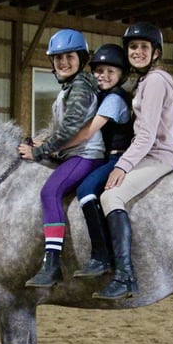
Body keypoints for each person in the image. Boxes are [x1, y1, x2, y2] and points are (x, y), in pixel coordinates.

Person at [93, 22, 173, 300]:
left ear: (155, 53)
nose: (137, 52)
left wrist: (122, 165)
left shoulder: (156, 81)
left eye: (143, 47)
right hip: (148, 154)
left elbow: (146, 135)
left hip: (157, 156)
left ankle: (125, 276)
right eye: (133, 47)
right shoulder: (146, 81)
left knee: (111, 197)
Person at [18, 29, 105, 288]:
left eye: (69, 56)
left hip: (86, 155)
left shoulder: (80, 87)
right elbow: (58, 128)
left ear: (80, 58)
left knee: (50, 192)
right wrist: (37, 139)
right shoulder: (69, 88)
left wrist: (38, 151)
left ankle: (52, 263)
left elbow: (68, 130)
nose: (63, 62)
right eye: (58, 58)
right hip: (72, 154)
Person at [62, 43, 133, 278]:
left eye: (110, 72)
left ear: (121, 76)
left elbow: (86, 133)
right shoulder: (99, 96)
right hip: (103, 157)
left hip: (117, 157)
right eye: (99, 71)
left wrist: (54, 147)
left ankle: (102, 256)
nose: (103, 76)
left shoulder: (114, 99)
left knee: (87, 190)